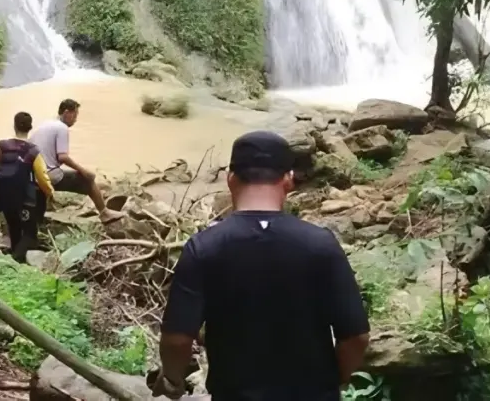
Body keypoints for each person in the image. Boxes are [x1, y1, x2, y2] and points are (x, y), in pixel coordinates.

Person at [152, 130, 371, 401]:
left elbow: (177, 340)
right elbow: (356, 337)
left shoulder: (203, 248)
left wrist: (173, 380)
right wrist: (334, 381)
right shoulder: (321, 244)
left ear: (230, 180)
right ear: (288, 180)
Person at [29, 99, 123, 224]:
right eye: (75, 115)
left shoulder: (44, 125)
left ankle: (46, 206)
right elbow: (62, 157)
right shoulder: (62, 128)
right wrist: (84, 171)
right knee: (87, 180)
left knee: (53, 171)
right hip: (47, 175)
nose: (75, 119)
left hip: (32, 175)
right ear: (67, 112)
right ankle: (104, 213)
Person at [0, 111, 54, 263]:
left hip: (3, 197)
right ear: (30, 128)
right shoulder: (33, 150)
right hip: (25, 199)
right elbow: (42, 177)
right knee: (29, 234)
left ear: (14, 126)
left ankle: (16, 256)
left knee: (14, 228)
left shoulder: (1, 146)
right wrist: (50, 193)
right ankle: (15, 262)